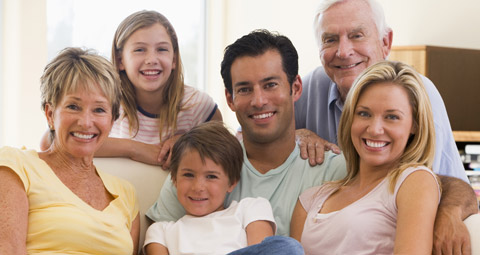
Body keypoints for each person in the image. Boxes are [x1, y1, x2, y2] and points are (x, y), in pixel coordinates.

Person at [294, 0, 478, 252]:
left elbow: (450, 184)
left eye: (357, 35)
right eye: (330, 39)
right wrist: (295, 134)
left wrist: (448, 212)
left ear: (385, 42)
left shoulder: (416, 94)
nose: (343, 51)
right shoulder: (308, 88)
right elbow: (253, 139)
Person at [146, 30, 347, 237]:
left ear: (295, 88)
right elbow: (156, 239)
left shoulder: (334, 172)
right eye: (244, 89)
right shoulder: (198, 166)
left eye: (270, 85)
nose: (258, 101)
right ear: (230, 99)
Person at [291, 60, 443, 254]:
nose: (374, 129)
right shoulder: (310, 199)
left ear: (415, 125)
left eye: (392, 117)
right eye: (364, 114)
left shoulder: (414, 180)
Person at [0, 48, 140, 254]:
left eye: (99, 110)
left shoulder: (126, 193)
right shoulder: (17, 165)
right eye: (73, 106)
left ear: (112, 121)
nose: (85, 122)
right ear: (50, 114)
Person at [41, 10, 222, 168]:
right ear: (120, 61)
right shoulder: (106, 103)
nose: (151, 59)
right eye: (139, 50)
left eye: (162, 49)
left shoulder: (198, 106)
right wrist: (134, 149)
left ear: (174, 59)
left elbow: (223, 154)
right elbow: (50, 141)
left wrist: (188, 143)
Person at [144, 121, 302, 255]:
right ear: (174, 179)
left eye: (211, 176)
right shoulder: (160, 231)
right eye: (188, 175)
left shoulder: (250, 208)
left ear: (232, 182)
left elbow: (263, 250)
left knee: (289, 247)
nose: (198, 187)